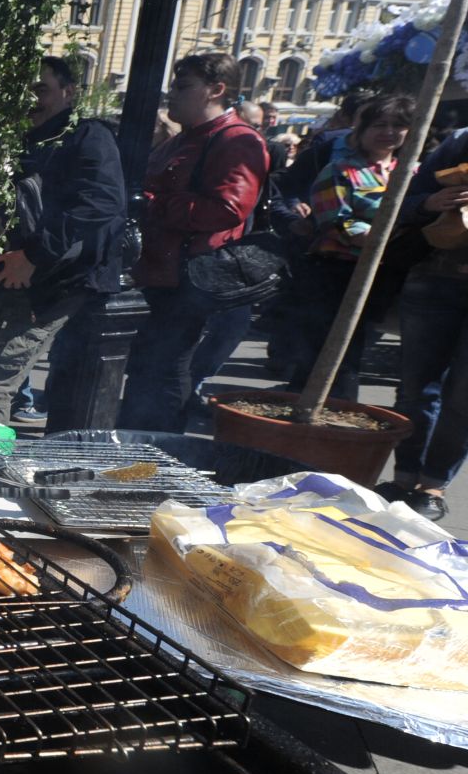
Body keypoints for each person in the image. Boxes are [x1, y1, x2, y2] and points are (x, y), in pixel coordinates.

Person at [0, 57, 126, 424]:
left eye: (40, 89)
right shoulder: (24, 139)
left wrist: (34, 256)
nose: (30, 99)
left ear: (68, 92)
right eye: (24, 91)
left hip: (58, 279)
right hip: (20, 276)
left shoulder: (88, 135)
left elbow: (101, 203)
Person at [117, 54, 269, 433]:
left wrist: (150, 203)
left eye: (184, 86)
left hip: (187, 280)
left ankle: (155, 453)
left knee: (165, 370)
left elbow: (227, 209)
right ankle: (139, 447)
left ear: (216, 90)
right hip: (158, 273)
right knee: (149, 367)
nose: (173, 93)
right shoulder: (185, 138)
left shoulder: (237, 140)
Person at [288, 94, 416, 403]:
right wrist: (386, 236)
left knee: (355, 349)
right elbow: (336, 221)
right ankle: (314, 417)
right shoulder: (341, 170)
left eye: (398, 125)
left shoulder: (412, 173)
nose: (388, 131)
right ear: (362, 129)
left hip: (384, 276)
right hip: (336, 272)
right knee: (328, 351)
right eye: (380, 124)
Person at [383, 125, 468, 520]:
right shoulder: (459, 141)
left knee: (463, 396)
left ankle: (432, 485)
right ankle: (403, 478)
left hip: (437, 285)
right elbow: (402, 199)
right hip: (436, 277)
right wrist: (430, 201)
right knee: (415, 388)